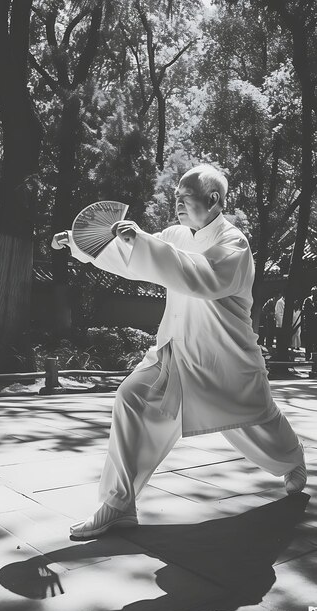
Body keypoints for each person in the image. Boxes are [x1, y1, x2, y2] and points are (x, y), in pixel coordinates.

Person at [52, 163, 307, 539]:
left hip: (224, 357)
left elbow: (198, 276)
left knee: (258, 419)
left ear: (213, 200)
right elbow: (136, 258)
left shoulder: (233, 243)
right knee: (131, 398)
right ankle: (118, 503)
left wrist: (143, 243)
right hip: (174, 349)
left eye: (183, 199)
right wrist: (80, 243)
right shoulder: (174, 234)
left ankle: (292, 460)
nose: (177, 207)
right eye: (175, 199)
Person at [302, 287, 317, 360]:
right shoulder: (307, 300)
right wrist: (312, 314)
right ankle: (307, 356)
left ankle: (315, 356)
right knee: (308, 342)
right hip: (309, 324)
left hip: (315, 324)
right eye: (313, 292)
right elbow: (304, 310)